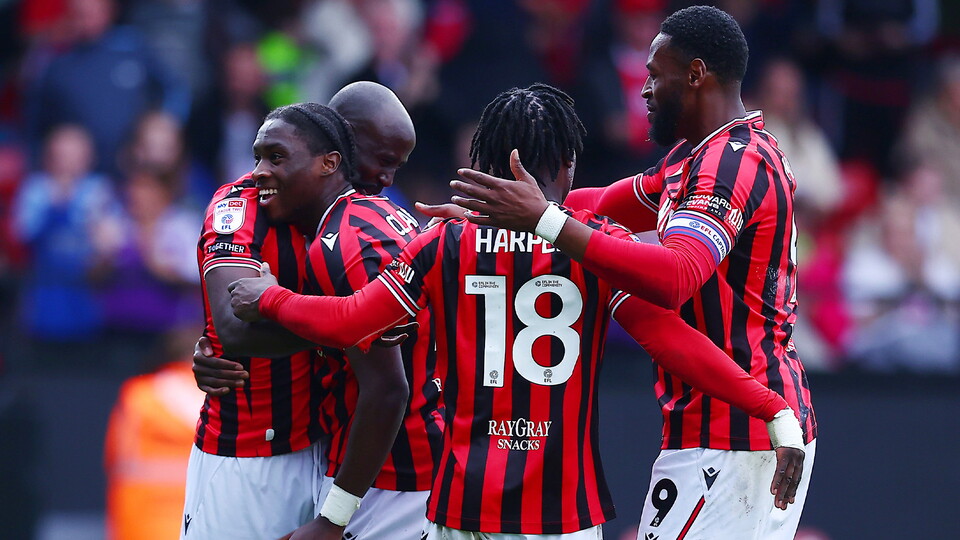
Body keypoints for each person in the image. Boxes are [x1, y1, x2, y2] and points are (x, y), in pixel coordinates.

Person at [228, 83, 805, 539]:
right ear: (569, 164)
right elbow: (671, 340)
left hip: (460, 506)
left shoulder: (440, 243)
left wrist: (269, 297)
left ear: (482, 161)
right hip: (563, 514)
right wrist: (771, 405)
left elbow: (351, 320)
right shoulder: (597, 249)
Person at [437, 7, 817, 539]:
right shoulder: (691, 158)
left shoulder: (732, 165)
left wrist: (542, 218)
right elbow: (597, 206)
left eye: (654, 75)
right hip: (718, 427)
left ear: (695, 73)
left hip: (739, 431)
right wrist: (495, 215)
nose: (643, 90)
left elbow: (675, 276)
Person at [189, 82, 441, 540]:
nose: (386, 178)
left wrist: (353, 320)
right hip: (251, 452)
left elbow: (390, 374)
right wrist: (353, 321)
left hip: (343, 458)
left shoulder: (362, 226)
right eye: (381, 159)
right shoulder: (243, 205)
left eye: (396, 166)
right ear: (336, 150)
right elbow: (233, 327)